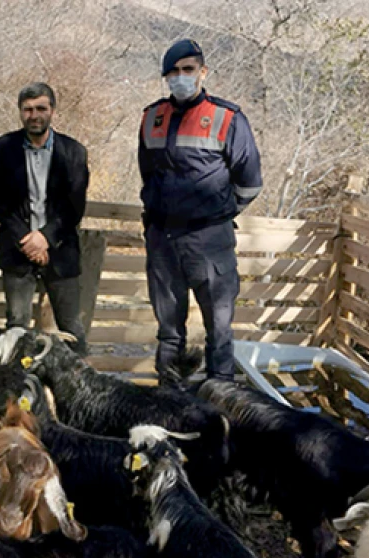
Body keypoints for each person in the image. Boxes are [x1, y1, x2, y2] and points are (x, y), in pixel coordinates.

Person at [137, 39, 262, 387]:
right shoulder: (151, 118)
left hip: (210, 241)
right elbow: (148, 173)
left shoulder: (227, 118)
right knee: (168, 331)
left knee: (218, 329)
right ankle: (169, 399)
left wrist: (216, 213)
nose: (181, 77)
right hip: (163, 240)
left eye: (188, 70)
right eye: (173, 72)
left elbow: (249, 182)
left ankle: (222, 402)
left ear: (202, 72)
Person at [0, 82, 90, 354]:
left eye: (41, 108)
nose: (34, 115)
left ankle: (82, 390)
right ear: (20, 113)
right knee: (17, 326)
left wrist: (45, 237)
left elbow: (75, 206)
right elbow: (1, 204)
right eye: (28, 109)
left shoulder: (74, 152)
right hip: (17, 249)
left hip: (61, 250)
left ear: (52, 111)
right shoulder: (1, 150)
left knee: (71, 327)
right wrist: (29, 242)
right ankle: (17, 387)